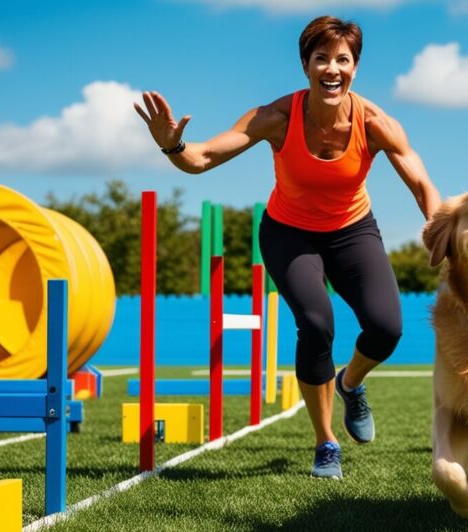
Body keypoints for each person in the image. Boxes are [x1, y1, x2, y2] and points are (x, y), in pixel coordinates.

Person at [134, 15, 440, 479]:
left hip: (353, 229)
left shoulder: (376, 123)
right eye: (322, 58)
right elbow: (204, 158)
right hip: (289, 232)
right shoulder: (276, 117)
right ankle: (326, 443)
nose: (332, 68)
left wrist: (440, 234)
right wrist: (173, 147)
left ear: (355, 67)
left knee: (387, 328)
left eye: (343, 59)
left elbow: (421, 184)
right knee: (316, 324)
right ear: (306, 65)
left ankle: (350, 382)